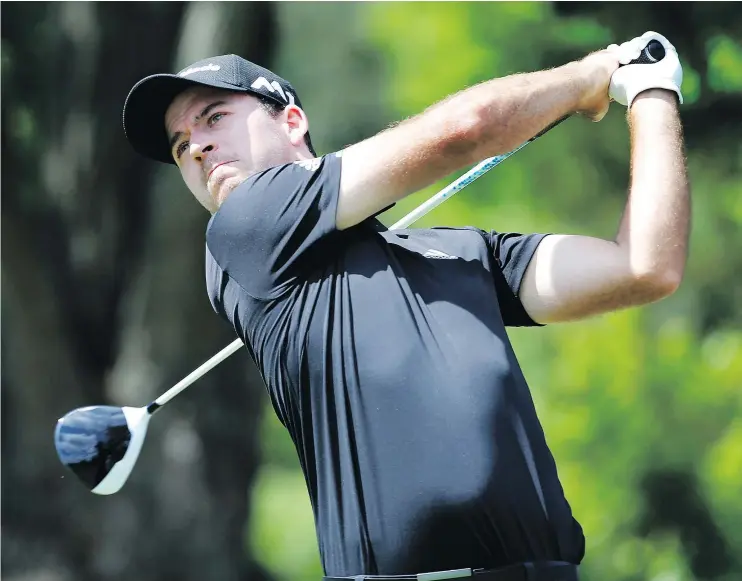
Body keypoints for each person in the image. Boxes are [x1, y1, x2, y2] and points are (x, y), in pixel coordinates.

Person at [122, 30, 689, 581]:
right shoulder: (242, 235)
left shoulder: (462, 253)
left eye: (214, 117)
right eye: (179, 144)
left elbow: (645, 267)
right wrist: (591, 76)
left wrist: (653, 93)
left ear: (291, 120)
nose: (195, 146)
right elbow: (466, 131)